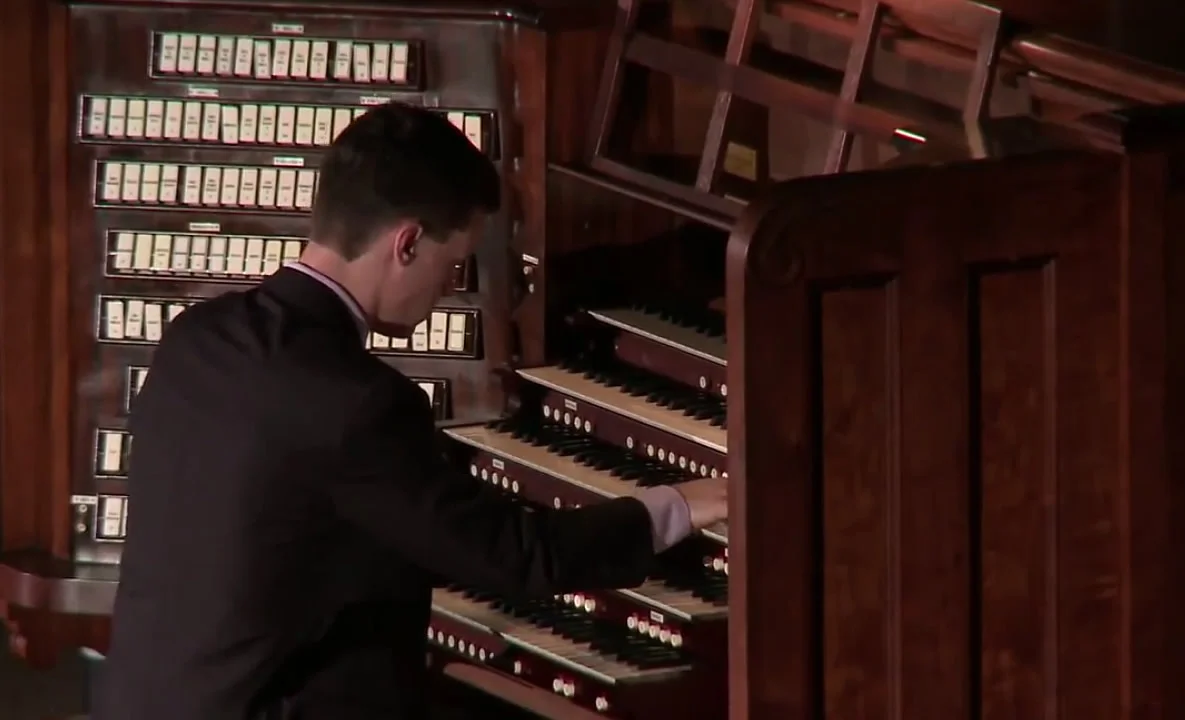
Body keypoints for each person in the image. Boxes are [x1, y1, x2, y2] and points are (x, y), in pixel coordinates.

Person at [94, 102, 729, 720]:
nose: (450, 287)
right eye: (452, 264)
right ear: (407, 242)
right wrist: (689, 501)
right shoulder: (358, 405)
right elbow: (518, 556)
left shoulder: (196, 339)